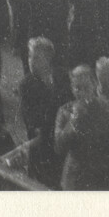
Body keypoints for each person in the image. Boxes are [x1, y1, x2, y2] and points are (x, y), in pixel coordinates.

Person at [55, 63, 109, 189]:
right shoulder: (65, 111)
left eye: (86, 87)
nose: (81, 93)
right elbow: (59, 147)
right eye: (77, 88)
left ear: (94, 85)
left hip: (103, 176)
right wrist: (73, 121)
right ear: (72, 89)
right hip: (75, 178)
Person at [15, 37, 70, 187]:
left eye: (36, 57)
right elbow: (32, 120)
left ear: (48, 58)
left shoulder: (62, 76)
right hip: (42, 146)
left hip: (64, 141)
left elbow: (70, 105)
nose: (31, 61)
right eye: (29, 56)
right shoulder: (25, 85)